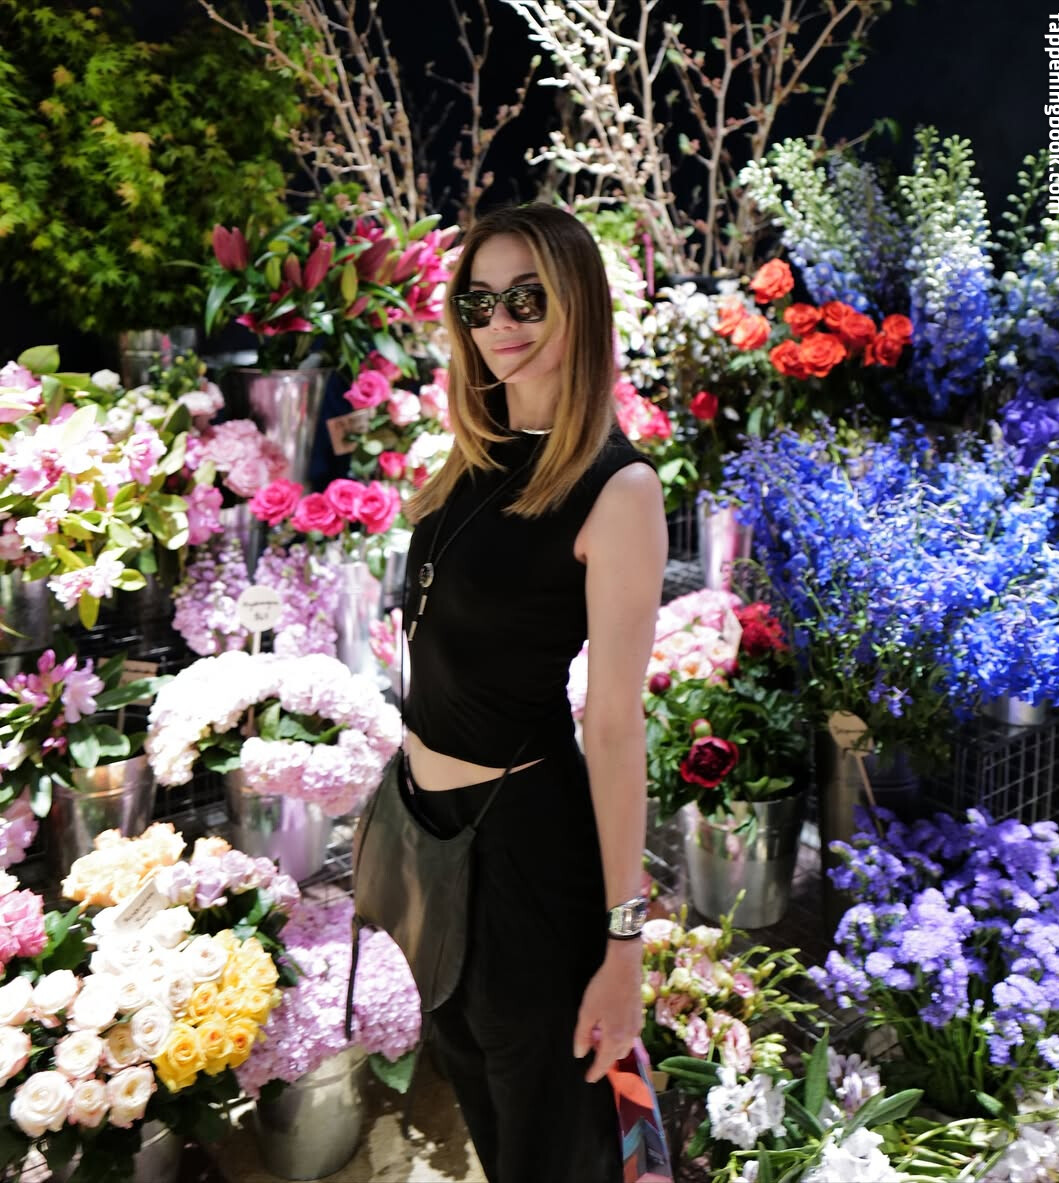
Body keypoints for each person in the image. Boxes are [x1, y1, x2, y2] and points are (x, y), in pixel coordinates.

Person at [400, 203, 667, 1183]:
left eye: (527, 298)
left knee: (551, 1144)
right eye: (479, 303)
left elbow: (616, 726)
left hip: (523, 853)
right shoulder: (472, 462)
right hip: (435, 844)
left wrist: (625, 945)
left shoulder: (617, 488)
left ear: (578, 306)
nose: (499, 322)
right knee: (479, 1095)